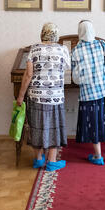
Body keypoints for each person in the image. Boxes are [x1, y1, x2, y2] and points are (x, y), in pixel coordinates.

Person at [71, 20, 105, 165]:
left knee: (93, 122)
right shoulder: (101, 44)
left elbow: (75, 77)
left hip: (88, 94)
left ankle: (98, 156)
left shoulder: (76, 50)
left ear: (80, 32)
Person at [16, 23, 70, 172]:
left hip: (35, 95)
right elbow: (66, 67)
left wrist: (20, 96)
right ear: (56, 35)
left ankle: (38, 159)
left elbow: (28, 75)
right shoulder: (62, 49)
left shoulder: (34, 49)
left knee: (36, 126)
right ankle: (52, 161)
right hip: (55, 97)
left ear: (42, 34)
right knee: (54, 127)